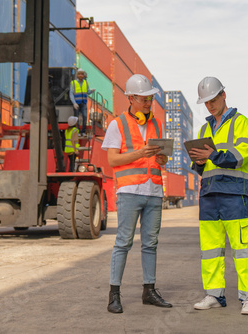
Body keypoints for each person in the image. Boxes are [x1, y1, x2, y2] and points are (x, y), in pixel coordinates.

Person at [189, 77, 248, 315]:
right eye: (206, 102)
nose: (209, 105)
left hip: (234, 194)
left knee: (242, 249)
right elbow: (204, 167)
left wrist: (212, 154)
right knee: (210, 251)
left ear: (223, 95)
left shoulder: (242, 123)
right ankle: (214, 294)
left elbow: (242, 155)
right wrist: (199, 162)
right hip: (209, 194)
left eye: (213, 99)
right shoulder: (204, 128)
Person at [101, 74, 171, 313]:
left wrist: (162, 158)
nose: (149, 104)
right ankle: (114, 294)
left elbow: (161, 160)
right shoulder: (117, 124)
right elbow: (112, 159)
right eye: (144, 100)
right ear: (131, 98)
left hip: (153, 191)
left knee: (150, 243)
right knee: (123, 242)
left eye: (150, 100)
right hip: (129, 192)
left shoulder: (157, 124)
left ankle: (149, 291)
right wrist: (141, 153)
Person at [70, 69, 94, 135]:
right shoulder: (73, 83)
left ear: (83, 75)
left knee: (85, 116)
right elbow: (71, 93)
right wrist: (74, 103)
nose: (80, 75)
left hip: (83, 103)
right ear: (77, 75)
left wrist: (91, 91)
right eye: (79, 74)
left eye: (82, 74)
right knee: (76, 118)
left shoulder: (86, 83)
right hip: (76, 103)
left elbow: (88, 92)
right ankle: (77, 131)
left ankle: (83, 131)